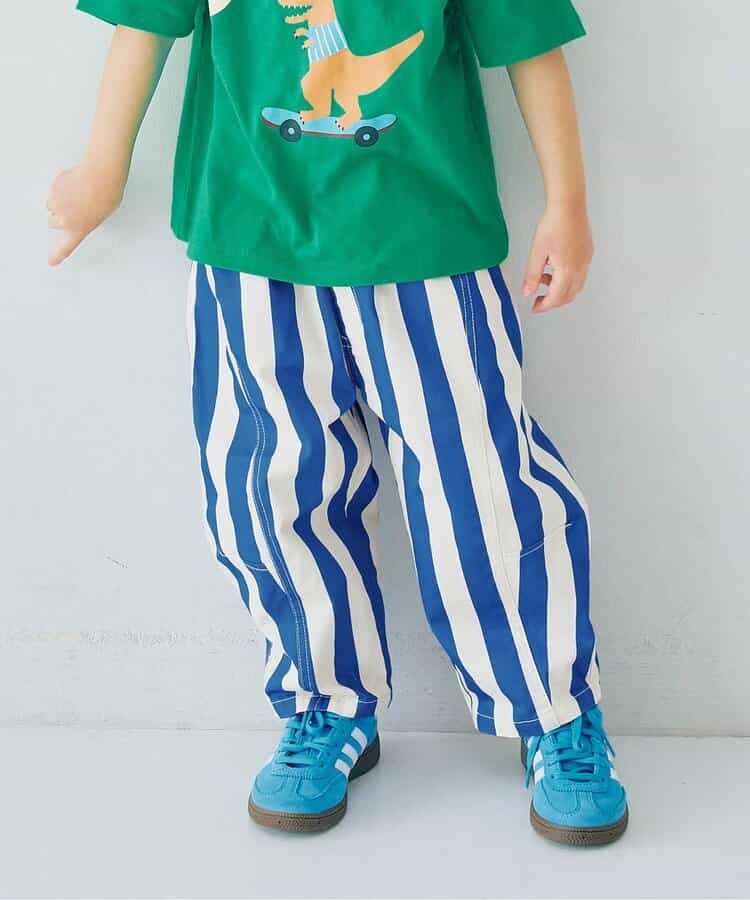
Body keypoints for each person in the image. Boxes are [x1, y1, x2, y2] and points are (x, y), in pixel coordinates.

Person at [48, 0, 628, 845]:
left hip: (429, 242)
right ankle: (326, 703)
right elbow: (144, 22)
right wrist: (103, 168)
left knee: (481, 486)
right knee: (272, 488)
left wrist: (566, 202)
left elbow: (529, 41)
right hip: (249, 238)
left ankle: (554, 711)